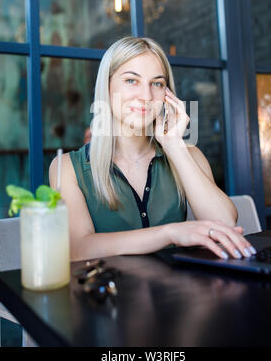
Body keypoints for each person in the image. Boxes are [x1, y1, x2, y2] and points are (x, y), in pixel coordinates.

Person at [49, 36, 256, 262]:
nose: (146, 97)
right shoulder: (68, 167)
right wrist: (169, 233)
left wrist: (174, 146)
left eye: (157, 84)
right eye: (131, 80)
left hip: (178, 291)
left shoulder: (189, 155)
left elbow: (224, 223)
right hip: (108, 294)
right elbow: (78, 249)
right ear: (106, 87)